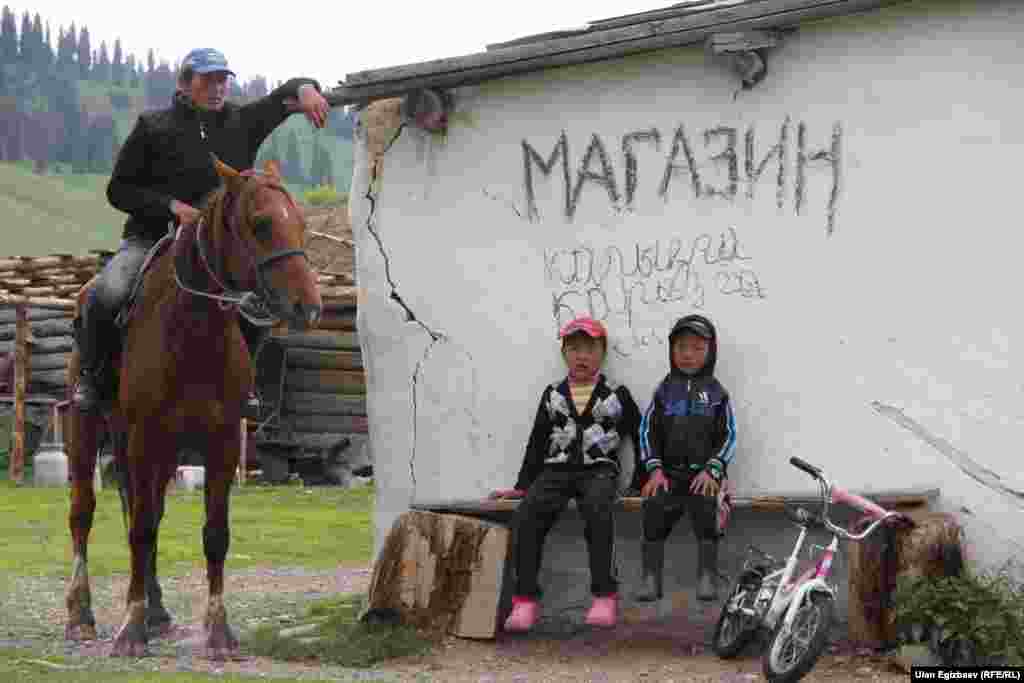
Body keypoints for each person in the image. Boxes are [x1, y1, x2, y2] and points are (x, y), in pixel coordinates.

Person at [72, 48, 329, 414]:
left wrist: (306, 87)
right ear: (184, 83)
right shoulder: (153, 126)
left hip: (222, 250)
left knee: (260, 297)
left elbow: (282, 99)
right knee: (107, 292)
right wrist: (171, 207)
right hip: (151, 238)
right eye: (208, 80)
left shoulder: (243, 120)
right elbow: (118, 190)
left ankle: (246, 382)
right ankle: (93, 379)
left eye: (223, 80)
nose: (217, 88)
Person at [490, 316, 642, 632]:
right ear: (564, 354)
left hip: (599, 471)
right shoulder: (553, 394)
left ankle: (604, 595)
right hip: (555, 471)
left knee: (599, 512)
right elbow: (537, 441)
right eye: (573, 349)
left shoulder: (617, 394)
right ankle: (525, 600)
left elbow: (642, 437)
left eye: (589, 349)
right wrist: (522, 486)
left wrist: (641, 479)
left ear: (602, 353)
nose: (581, 356)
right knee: (527, 517)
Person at [633, 314, 737, 603]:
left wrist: (713, 470)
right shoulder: (663, 391)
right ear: (672, 350)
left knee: (706, 512)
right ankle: (650, 576)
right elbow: (647, 432)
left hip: (702, 475)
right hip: (667, 474)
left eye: (697, 348)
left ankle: (707, 575)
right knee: (653, 509)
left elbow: (728, 435)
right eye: (681, 348)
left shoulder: (717, 393)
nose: (688, 355)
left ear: (710, 351)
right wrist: (653, 470)